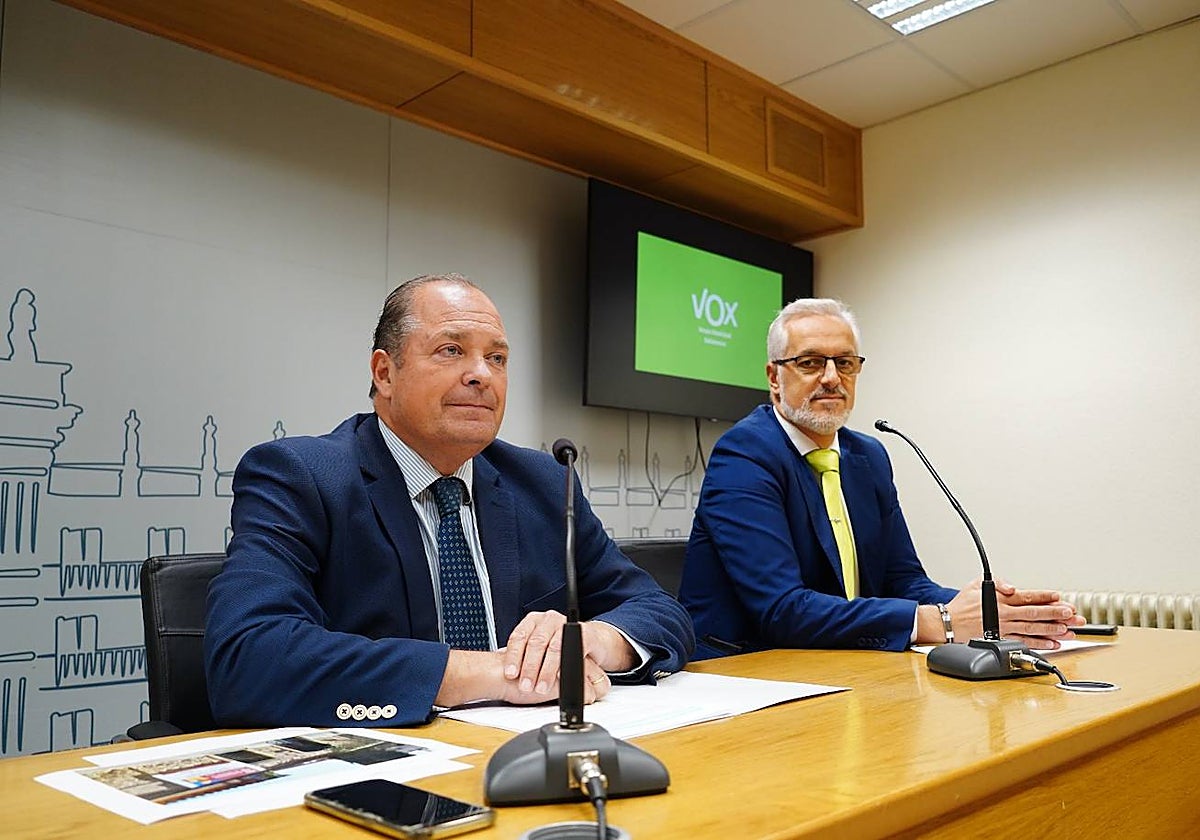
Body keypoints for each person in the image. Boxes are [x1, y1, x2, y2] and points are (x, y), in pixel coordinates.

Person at [206, 273, 693, 726]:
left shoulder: (543, 481)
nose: (481, 374)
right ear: (385, 373)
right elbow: (248, 656)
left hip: (527, 746)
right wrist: (494, 674)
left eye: (497, 359)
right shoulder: (302, 476)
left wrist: (592, 640)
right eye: (451, 350)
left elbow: (657, 609)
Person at [679, 297, 1082, 658]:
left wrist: (989, 611)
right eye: (810, 362)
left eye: (846, 362)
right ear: (774, 377)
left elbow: (903, 579)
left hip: (840, 663)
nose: (832, 377)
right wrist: (939, 622)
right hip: (748, 671)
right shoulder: (745, 454)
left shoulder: (867, 455)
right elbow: (781, 610)